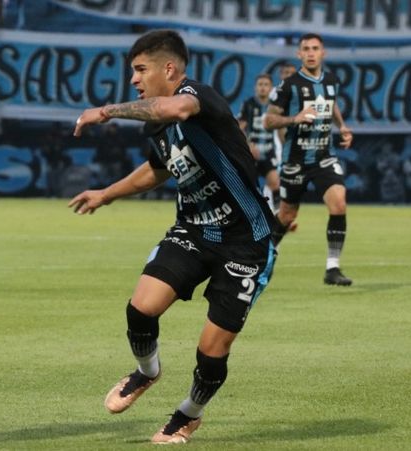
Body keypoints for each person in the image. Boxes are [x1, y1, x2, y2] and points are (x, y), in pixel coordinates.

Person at [69, 30, 276, 445]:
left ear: (169, 68)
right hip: (194, 231)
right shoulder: (157, 126)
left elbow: (178, 108)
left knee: (211, 352)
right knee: (140, 309)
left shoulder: (196, 96)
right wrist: (107, 194)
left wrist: (107, 112)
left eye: (140, 70)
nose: (133, 80)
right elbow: (158, 169)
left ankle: (187, 414)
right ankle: (147, 372)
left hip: (245, 242)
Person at [264, 33, 353, 286]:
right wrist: (295, 118)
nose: (311, 52)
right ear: (299, 54)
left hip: (324, 156)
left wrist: (343, 126)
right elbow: (269, 120)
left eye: (315, 48)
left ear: (323, 52)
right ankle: (264, 256)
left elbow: (331, 104)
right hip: (296, 160)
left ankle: (332, 269)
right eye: (306, 49)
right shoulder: (288, 86)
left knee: (339, 203)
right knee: (287, 215)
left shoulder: (332, 80)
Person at [238, 74, 281, 212]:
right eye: (260, 84)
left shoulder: (275, 106)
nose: (263, 87)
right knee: (247, 187)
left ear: (271, 88)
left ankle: (278, 216)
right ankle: (246, 216)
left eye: (266, 84)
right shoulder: (249, 104)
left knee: (275, 183)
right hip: (251, 153)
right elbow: (239, 127)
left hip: (268, 151)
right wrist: (249, 145)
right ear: (255, 87)